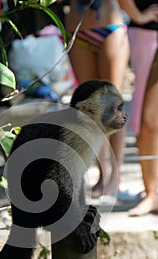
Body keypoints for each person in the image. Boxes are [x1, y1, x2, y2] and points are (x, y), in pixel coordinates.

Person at [65, 0, 130, 203]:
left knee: (114, 107)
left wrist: (138, 16)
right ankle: (102, 176)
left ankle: (114, 179)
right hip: (77, 29)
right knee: (91, 111)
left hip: (110, 29)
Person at [118, 0, 158, 216]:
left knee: (150, 121)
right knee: (147, 122)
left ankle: (153, 193)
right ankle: (152, 193)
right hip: (146, 35)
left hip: (146, 34)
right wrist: (138, 15)